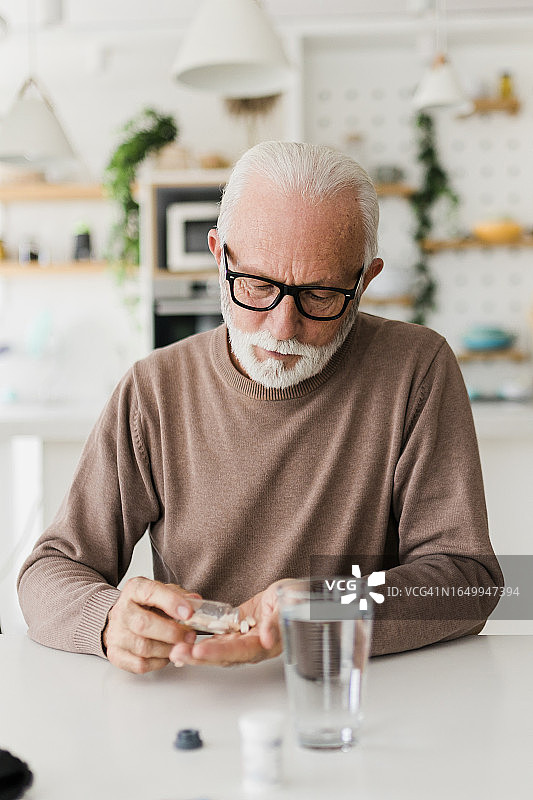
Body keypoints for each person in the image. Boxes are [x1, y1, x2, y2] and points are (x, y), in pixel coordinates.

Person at [18, 141, 503, 674]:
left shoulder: (417, 367)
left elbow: (471, 581)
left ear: (365, 280)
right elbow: (46, 573)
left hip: (351, 694)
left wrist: (325, 608)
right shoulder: (153, 390)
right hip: (196, 692)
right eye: (255, 285)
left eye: (320, 295)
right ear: (218, 254)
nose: (282, 327)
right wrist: (109, 618)